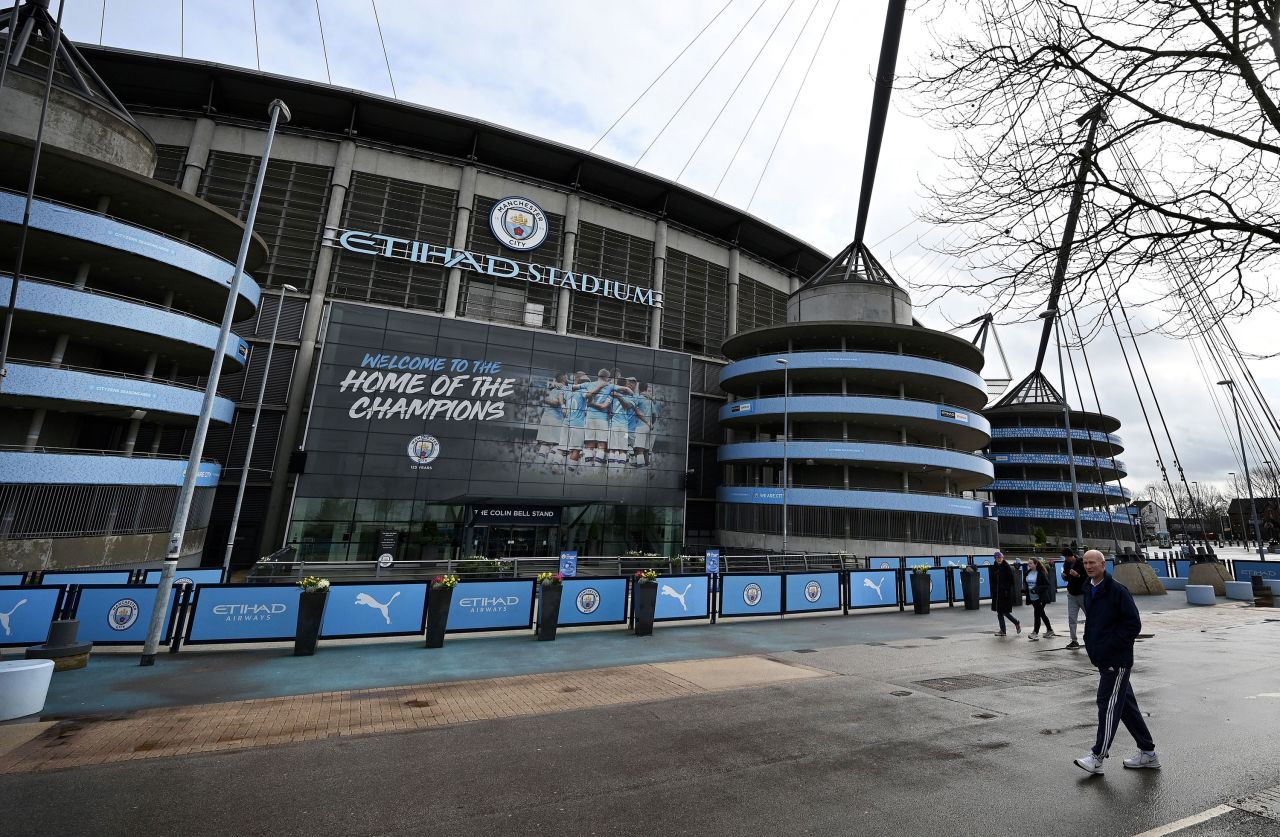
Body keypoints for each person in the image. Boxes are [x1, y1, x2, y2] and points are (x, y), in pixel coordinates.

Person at [1073, 549, 1160, 775]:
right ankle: (1148, 753)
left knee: (1108, 705)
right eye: (1085, 563)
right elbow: (1093, 622)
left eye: (1093, 562)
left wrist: (1108, 645)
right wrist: (1091, 643)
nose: (1088, 566)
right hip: (1103, 658)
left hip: (1116, 660)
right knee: (1126, 708)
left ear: (1104, 564)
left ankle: (1098, 757)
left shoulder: (1117, 590)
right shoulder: (1088, 587)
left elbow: (1133, 625)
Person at [1023, 556, 1056, 640]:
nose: (1029, 564)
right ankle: (1050, 630)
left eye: (1031, 563)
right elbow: (1026, 583)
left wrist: (1036, 589)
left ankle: (1035, 633)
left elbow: (1047, 585)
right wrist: (1024, 589)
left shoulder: (1040, 573)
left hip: (1041, 598)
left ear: (1036, 564)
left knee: (1037, 614)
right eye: (1028, 563)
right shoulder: (1028, 573)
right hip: (1032, 597)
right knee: (1042, 614)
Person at [990, 550, 1021, 636]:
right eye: (997, 558)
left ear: (1003, 558)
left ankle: (1016, 622)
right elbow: (992, 580)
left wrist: (1005, 588)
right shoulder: (994, 567)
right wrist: (993, 590)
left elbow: (1011, 581)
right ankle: (1003, 630)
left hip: (1005, 593)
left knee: (1005, 612)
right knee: (1000, 612)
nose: (999, 559)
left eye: (1001, 557)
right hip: (997, 593)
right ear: (995, 559)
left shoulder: (1007, 567)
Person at [1061, 547, 1085, 649]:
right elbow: (1068, 577)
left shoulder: (1081, 562)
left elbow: (1087, 577)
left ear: (1071, 556)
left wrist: (1078, 575)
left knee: (1091, 616)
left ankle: (1094, 636)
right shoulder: (1066, 564)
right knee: (1072, 618)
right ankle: (1074, 640)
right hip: (1072, 594)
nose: (1066, 559)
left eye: (1067, 557)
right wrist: (1064, 576)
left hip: (1082, 594)